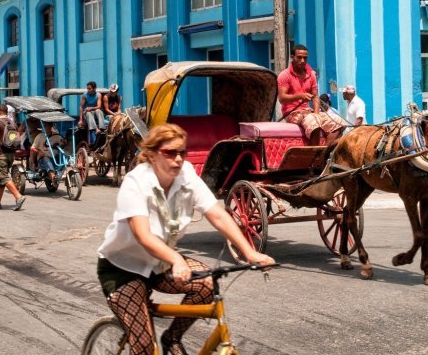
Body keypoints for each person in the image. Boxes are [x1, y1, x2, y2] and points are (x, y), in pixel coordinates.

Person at [96, 123, 275, 355]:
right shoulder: (135, 182)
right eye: (170, 153)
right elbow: (142, 235)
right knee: (143, 345)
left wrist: (249, 252)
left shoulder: (187, 176)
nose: (178, 159)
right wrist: (177, 260)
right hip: (122, 268)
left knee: (206, 286)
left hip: (159, 264)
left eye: (182, 152)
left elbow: (217, 214)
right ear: (151, 155)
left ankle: (172, 338)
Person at [277, 44, 343, 146]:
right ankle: (315, 155)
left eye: (305, 58)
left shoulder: (311, 74)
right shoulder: (285, 75)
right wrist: (300, 96)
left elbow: (315, 96)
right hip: (292, 113)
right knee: (313, 122)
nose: (302, 60)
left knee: (338, 122)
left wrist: (316, 113)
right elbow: (282, 98)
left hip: (308, 112)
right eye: (299, 57)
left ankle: (325, 154)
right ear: (292, 57)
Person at [0, 104, 27, 211]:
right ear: (7, 112)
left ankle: (18, 196)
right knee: (0, 177)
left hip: (1, 154)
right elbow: (17, 137)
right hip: (11, 154)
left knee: (3, 176)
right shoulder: (13, 123)